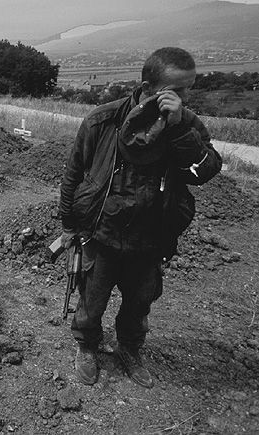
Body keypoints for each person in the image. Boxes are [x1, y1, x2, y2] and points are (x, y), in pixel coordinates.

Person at [58, 47, 222, 388]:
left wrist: (177, 130)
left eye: (188, 89)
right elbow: (73, 175)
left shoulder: (187, 125)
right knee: (92, 299)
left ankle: (130, 350)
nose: (184, 98)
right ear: (148, 86)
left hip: (149, 237)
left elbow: (203, 171)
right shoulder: (102, 121)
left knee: (139, 303)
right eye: (177, 91)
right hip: (101, 233)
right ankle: (87, 346)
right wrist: (69, 226)